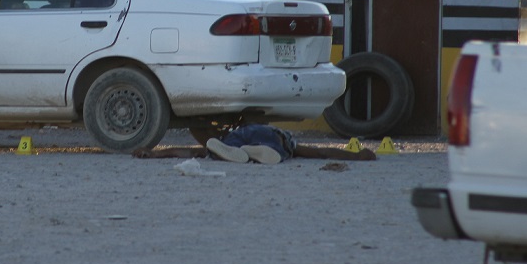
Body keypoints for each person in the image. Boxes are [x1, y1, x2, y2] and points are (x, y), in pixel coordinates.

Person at [132, 124, 376, 163]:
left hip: (235, 140)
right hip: (274, 140)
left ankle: (236, 153)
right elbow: (321, 153)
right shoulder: (278, 133)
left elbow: (186, 151)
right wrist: (357, 156)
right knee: (296, 151)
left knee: (205, 152)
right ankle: (261, 152)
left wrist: (153, 153)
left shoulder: (234, 134)